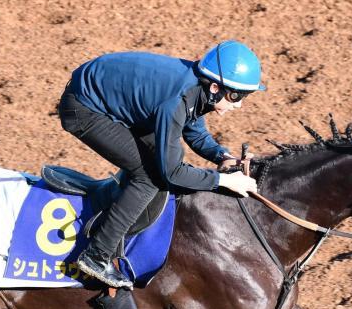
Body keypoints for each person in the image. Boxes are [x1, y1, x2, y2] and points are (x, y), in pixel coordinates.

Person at [59, 40, 264, 289]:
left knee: (157, 161)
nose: (239, 104)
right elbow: (172, 174)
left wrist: (223, 157)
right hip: (83, 108)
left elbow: (195, 132)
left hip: (107, 96)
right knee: (149, 177)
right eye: (235, 95)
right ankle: (97, 255)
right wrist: (224, 180)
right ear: (214, 87)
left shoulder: (195, 88)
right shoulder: (177, 100)